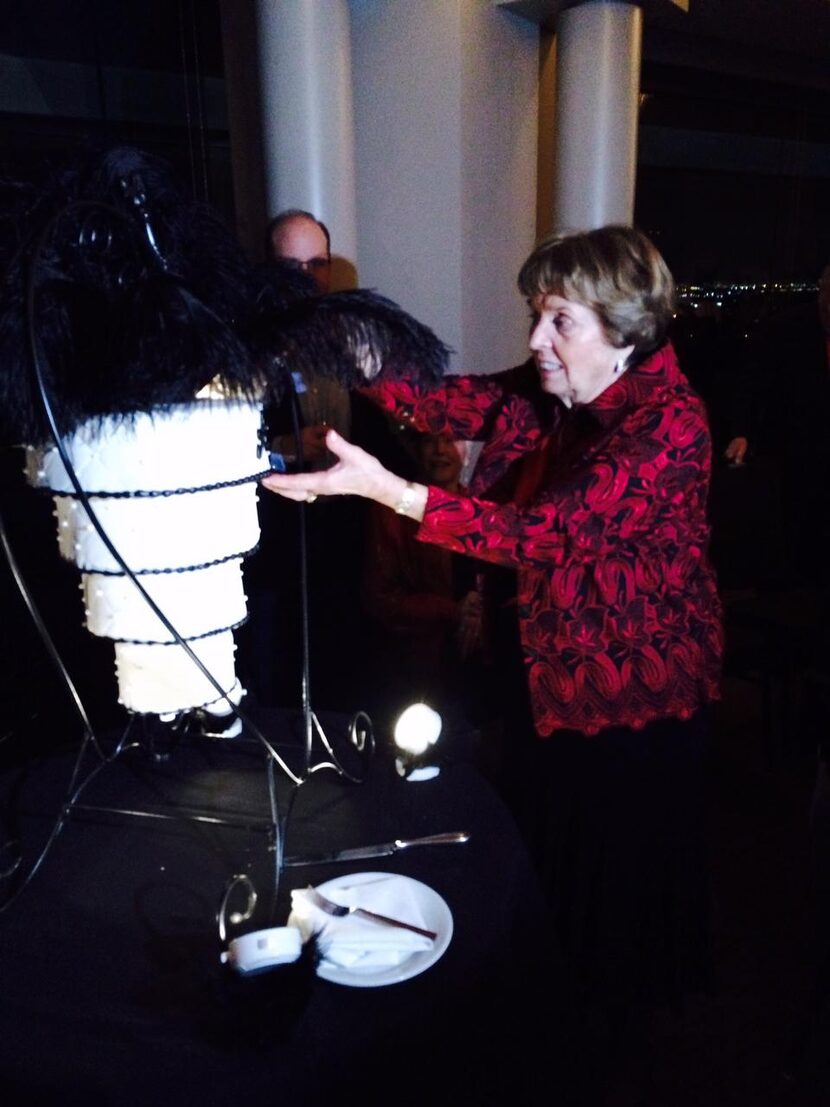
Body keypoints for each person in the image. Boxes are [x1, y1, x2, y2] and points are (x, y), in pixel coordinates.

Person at [262, 224, 724, 1103]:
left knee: (609, 914)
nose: (535, 340)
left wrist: (388, 491)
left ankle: (609, 1061)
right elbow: (448, 400)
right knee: (549, 883)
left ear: (624, 329)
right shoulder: (563, 394)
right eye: (534, 315)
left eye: (560, 321)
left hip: (636, 713)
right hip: (556, 693)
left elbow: (546, 537)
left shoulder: (673, 427)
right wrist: (349, 348)